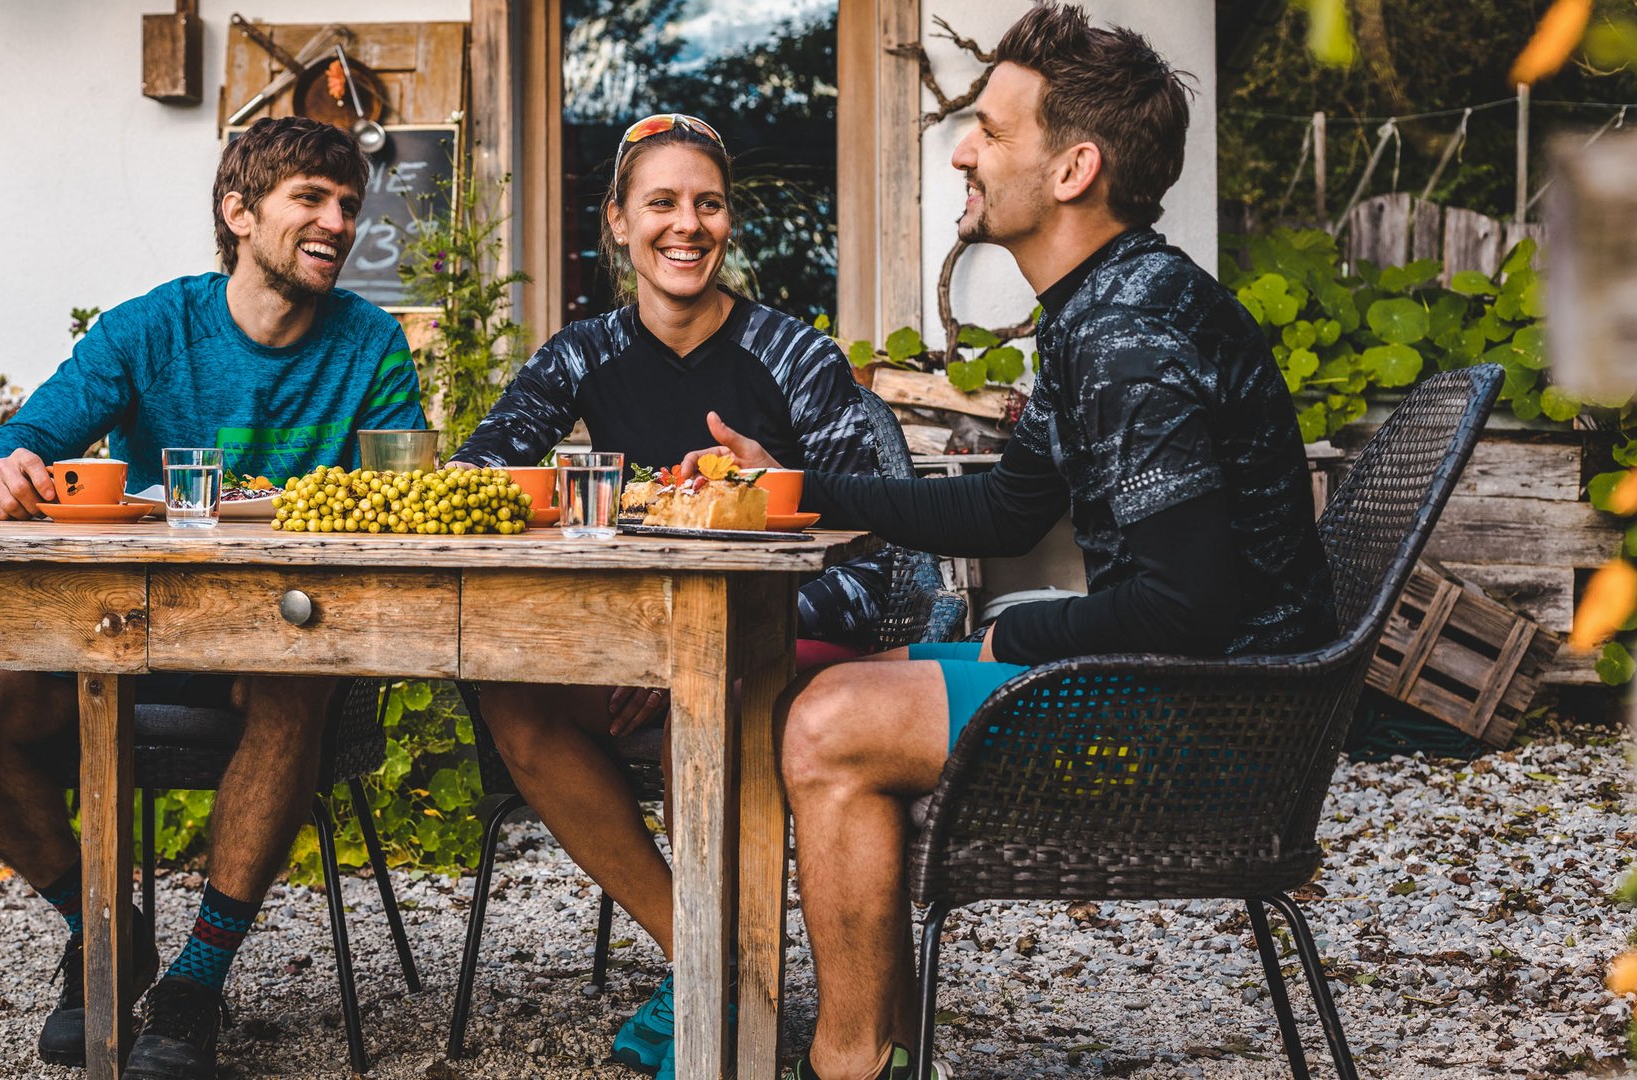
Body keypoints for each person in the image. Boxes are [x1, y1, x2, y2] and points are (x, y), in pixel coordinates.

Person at [681, 7, 1338, 1079]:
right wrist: (792, 487)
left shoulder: (1130, 336)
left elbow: (1186, 608)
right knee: (832, 688)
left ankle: (850, 1062)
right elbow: (1003, 511)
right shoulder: (1101, 307)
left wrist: (1015, 633)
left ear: (1075, 167)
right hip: (1191, 682)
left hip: (1220, 722)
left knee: (833, 723)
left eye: (989, 129)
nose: (962, 149)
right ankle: (873, 1044)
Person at [0, 116, 424, 1080]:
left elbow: (411, 507)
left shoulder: (373, 346)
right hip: (131, 632)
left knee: (296, 675)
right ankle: (107, 931)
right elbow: (15, 441)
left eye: (347, 203)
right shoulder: (148, 329)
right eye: (311, 199)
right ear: (239, 213)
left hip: (287, 642)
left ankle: (194, 982)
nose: (337, 219)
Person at [446, 113, 897, 1080]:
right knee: (512, 699)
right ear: (617, 222)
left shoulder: (797, 357)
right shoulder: (579, 355)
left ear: (729, 222)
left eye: (707, 203)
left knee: (723, 695)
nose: (685, 225)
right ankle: (711, 957)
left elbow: (871, 574)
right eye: (661, 203)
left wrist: (716, 626)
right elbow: (474, 470)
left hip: (779, 652)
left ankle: (733, 987)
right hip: (633, 651)